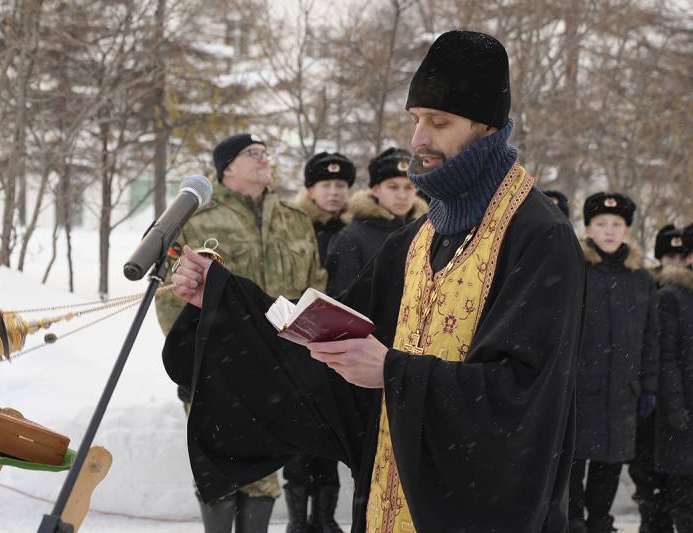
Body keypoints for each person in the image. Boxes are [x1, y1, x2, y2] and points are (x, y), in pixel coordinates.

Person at [162, 30, 585, 532]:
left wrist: (393, 373)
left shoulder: (539, 236)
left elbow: (525, 401)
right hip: (387, 501)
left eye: (439, 122)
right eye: (415, 120)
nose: (418, 139)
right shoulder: (418, 238)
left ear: (487, 127)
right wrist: (225, 299)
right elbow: (322, 337)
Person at [154, 132, 327, 533]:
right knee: (218, 464)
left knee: (265, 468)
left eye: (266, 152)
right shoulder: (195, 222)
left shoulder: (295, 221)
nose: (264, 158)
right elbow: (169, 296)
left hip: (278, 367)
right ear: (227, 166)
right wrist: (196, 360)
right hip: (218, 367)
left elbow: (315, 290)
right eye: (253, 153)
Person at [570, 192, 660, 533]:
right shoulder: (577, 270)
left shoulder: (641, 279)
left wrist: (648, 386)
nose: (609, 231)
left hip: (622, 393)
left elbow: (652, 338)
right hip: (580, 390)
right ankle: (573, 522)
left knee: (609, 466)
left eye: (616, 225)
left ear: (627, 230)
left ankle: (600, 524)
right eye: (601, 224)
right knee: (572, 465)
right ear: (589, 229)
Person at [287, 151, 356, 533]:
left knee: (330, 432)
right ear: (310, 189)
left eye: (341, 185)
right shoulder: (295, 228)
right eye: (326, 185)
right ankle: (298, 520)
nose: (334, 192)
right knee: (299, 432)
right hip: (299, 342)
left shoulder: (356, 229)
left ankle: (325, 518)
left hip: (340, 341)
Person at [629, 223, 687, 533]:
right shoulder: (647, 288)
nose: (675, 264)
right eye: (670, 256)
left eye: (681, 256)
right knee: (650, 493)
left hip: (677, 408)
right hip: (650, 409)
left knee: (677, 495)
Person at [325, 148, 428, 295]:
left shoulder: (425, 230)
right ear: (375, 189)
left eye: (409, 187)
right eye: (393, 187)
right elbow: (342, 298)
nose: (402, 195)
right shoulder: (351, 237)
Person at [654, 228, 693, 533]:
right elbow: (666, 356)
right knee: (684, 502)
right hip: (683, 416)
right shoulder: (672, 296)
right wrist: (676, 407)